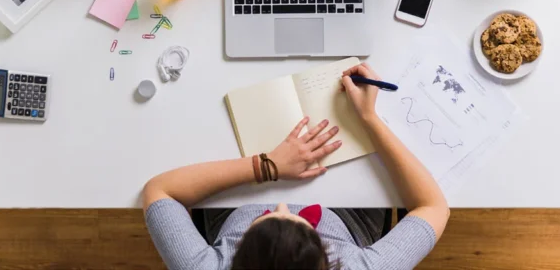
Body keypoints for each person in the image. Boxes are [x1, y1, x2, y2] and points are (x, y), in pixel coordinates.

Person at [143, 63, 450, 269]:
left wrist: (267, 166)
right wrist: (369, 117)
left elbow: (160, 191)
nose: (281, 204)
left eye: (271, 216)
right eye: (293, 217)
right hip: (350, 216)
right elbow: (433, 207)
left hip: (232, 203)